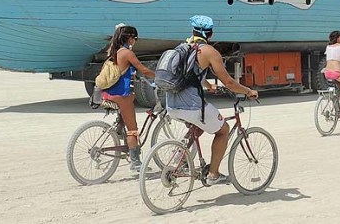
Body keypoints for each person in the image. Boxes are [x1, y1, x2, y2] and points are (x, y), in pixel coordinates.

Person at [166, 15, 258, 186]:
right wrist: (248, 91)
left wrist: (208, 86)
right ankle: (213, 175)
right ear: (210, 34)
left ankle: (181, 155)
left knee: (200, 124)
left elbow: (189, 75)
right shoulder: (209, 52)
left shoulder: (182, 48)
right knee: (223, 130)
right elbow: (229, 82)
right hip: (191, 106)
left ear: (193, 31)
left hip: (171, 104)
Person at [101, 24, 155, 171]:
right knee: (133, 129)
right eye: (135, 38)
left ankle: (119, 129)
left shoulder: (113, 51)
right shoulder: (127, 53)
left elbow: (122, 70)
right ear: (130, 38)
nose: (135, 41)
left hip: (108, 93)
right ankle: (135, 162)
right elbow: (143, 69)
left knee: (127, 112)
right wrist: (160, 77)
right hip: (121, 95)